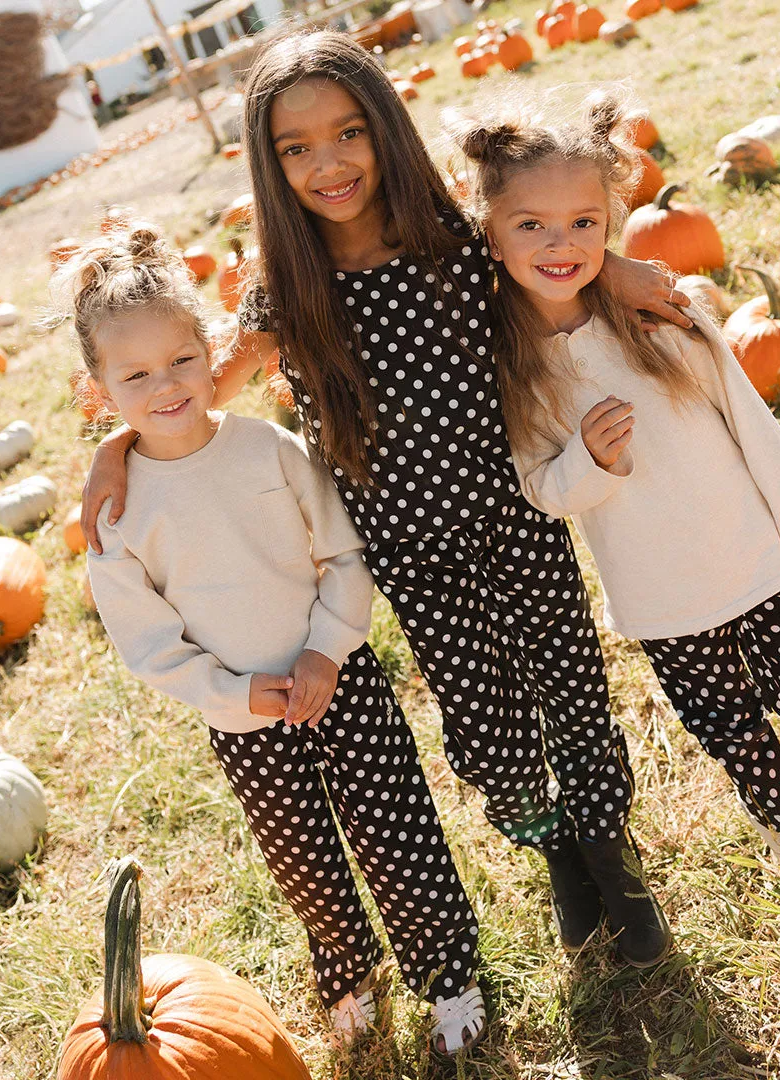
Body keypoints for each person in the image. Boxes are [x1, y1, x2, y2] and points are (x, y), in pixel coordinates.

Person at [79, 30, 694, 990]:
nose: (327, 163)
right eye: (296, 147)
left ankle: (608, 848)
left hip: (515, 507)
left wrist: (614, 268)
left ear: (385, 131)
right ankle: (555, 853)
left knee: (569, 679)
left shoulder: (454, 234)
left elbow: (544, 250)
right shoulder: (286, 288)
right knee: (486, 716)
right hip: (405, 548)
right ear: (269, 161)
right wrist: (113, 449)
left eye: (349, 132)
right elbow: (197, 393)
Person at [449, 92, 780, 924]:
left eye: (584, 223)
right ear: (488, 229)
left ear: (611, 221)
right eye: (531, 226)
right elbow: (541, 491)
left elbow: (753, 426)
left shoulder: (664, 314)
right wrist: (588, 462)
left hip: (759, 557)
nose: (561, 245)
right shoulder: (512, 368)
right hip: (664, 596)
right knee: (734, 725)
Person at [57, 220, 483, 1053]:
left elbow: (343, 550)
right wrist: (231, 693)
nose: (167, 384)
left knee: (397, 833)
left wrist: (327, 648)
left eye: (182, 360)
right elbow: (149, 644)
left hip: (340, 680)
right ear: (100, 390)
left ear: (210, 348)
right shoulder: (117, 511)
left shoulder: (268, 449)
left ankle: (447, 974)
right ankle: (347, 967)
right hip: (245, 717)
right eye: (136, 374)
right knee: (306, 862)